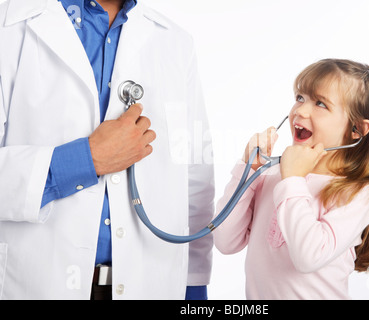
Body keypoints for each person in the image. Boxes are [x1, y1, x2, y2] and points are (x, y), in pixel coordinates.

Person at [0, 0, 214, 300]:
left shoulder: (175, 42)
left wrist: (193, 289)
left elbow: (193, 179)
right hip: (35, 284)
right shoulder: (8, 28)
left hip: (152, 286)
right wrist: (86, 159)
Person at [214, 59, 369, 299]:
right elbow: (225, 241)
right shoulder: (272, 175)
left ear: (357, 129)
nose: (300, 110)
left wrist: (293, 179)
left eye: (320, 103)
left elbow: (308, 256)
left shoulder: (359, 192)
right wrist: (248, 170)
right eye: (300, 97)